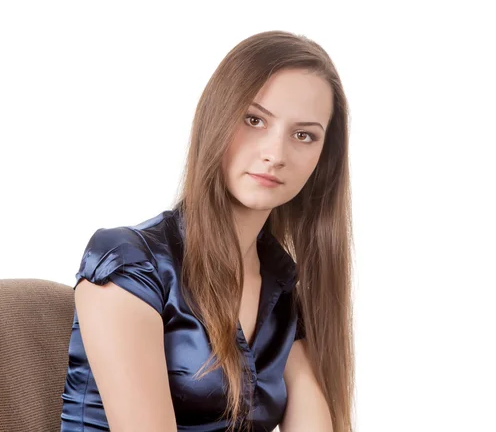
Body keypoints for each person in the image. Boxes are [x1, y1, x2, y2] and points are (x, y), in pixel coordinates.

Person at [60, 30, 354, 432]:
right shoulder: (129, 264)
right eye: (254, 120)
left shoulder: (282, 291)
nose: (276, 154)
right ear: (215, 119)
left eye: (303, 135)